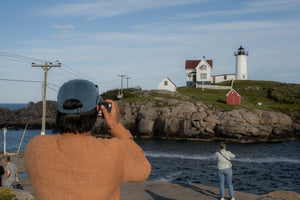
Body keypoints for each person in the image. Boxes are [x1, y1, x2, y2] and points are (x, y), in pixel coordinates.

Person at [24, 79, 151, 200]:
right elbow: (143, 170)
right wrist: (116, 127)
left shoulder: (34, 146)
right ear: (98, 110)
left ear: (60, 110)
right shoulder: (113, 150)